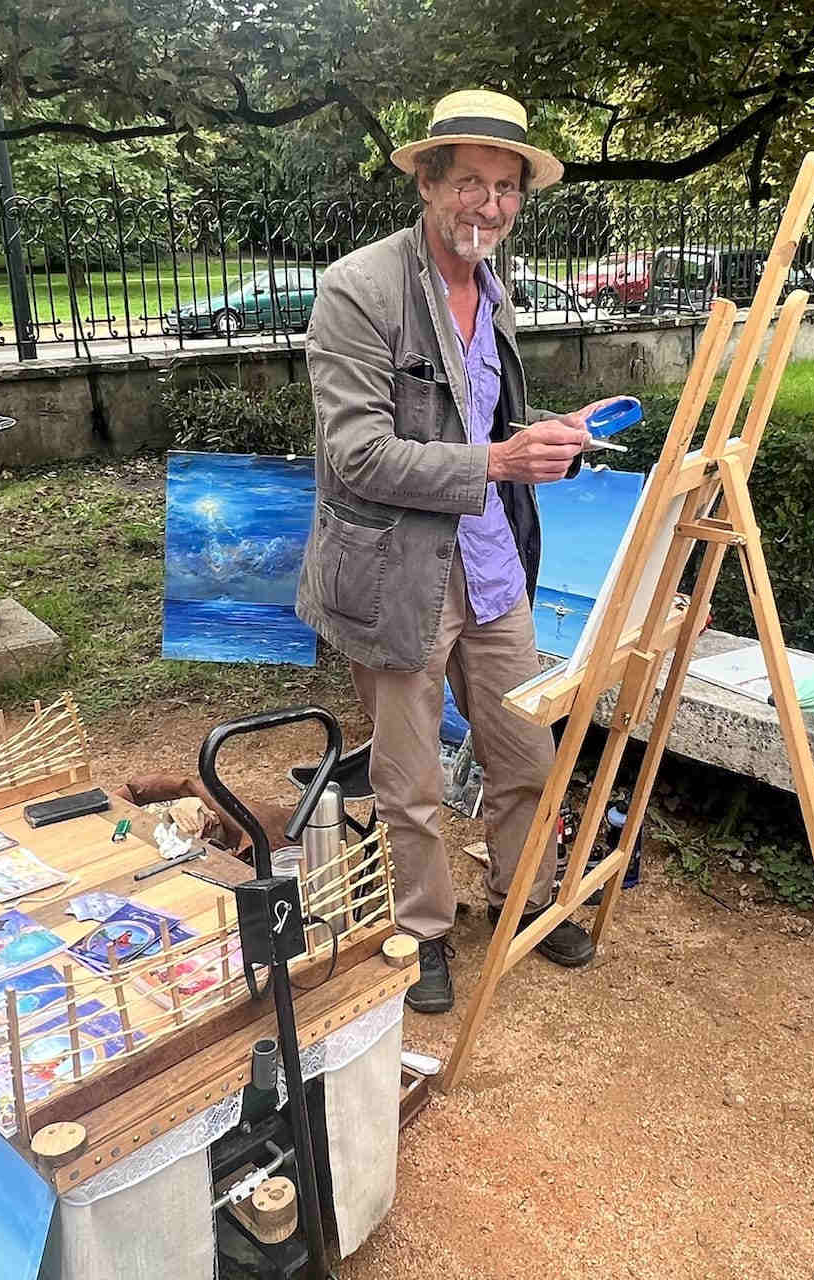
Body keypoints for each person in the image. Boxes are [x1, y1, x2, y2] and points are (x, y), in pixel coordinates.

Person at [297, 89, 613, 1013]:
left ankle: (526, 900)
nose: (489, 205)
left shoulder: (495, 289)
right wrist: (498, 459)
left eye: (507, 187)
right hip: (398, 575)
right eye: (469, 182)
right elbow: (355, 455)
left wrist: (543, 437)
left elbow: (477, 423)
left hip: (492, 565)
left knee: (523, 748)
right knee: (410, 776)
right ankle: (423, 930)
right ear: (428, 183)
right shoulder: (359, 289)